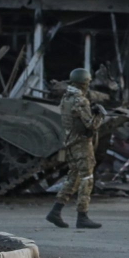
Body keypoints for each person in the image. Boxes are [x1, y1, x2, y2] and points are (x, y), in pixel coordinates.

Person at [46, 68, 104, 229]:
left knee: (73, 177)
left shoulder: (66, 98)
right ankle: (82, 216)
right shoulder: (80, 101)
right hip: (82, 144)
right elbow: (91, 125)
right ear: (84, 83)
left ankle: (55, 211)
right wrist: (99, 115)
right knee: (87, 178)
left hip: (69, 143)